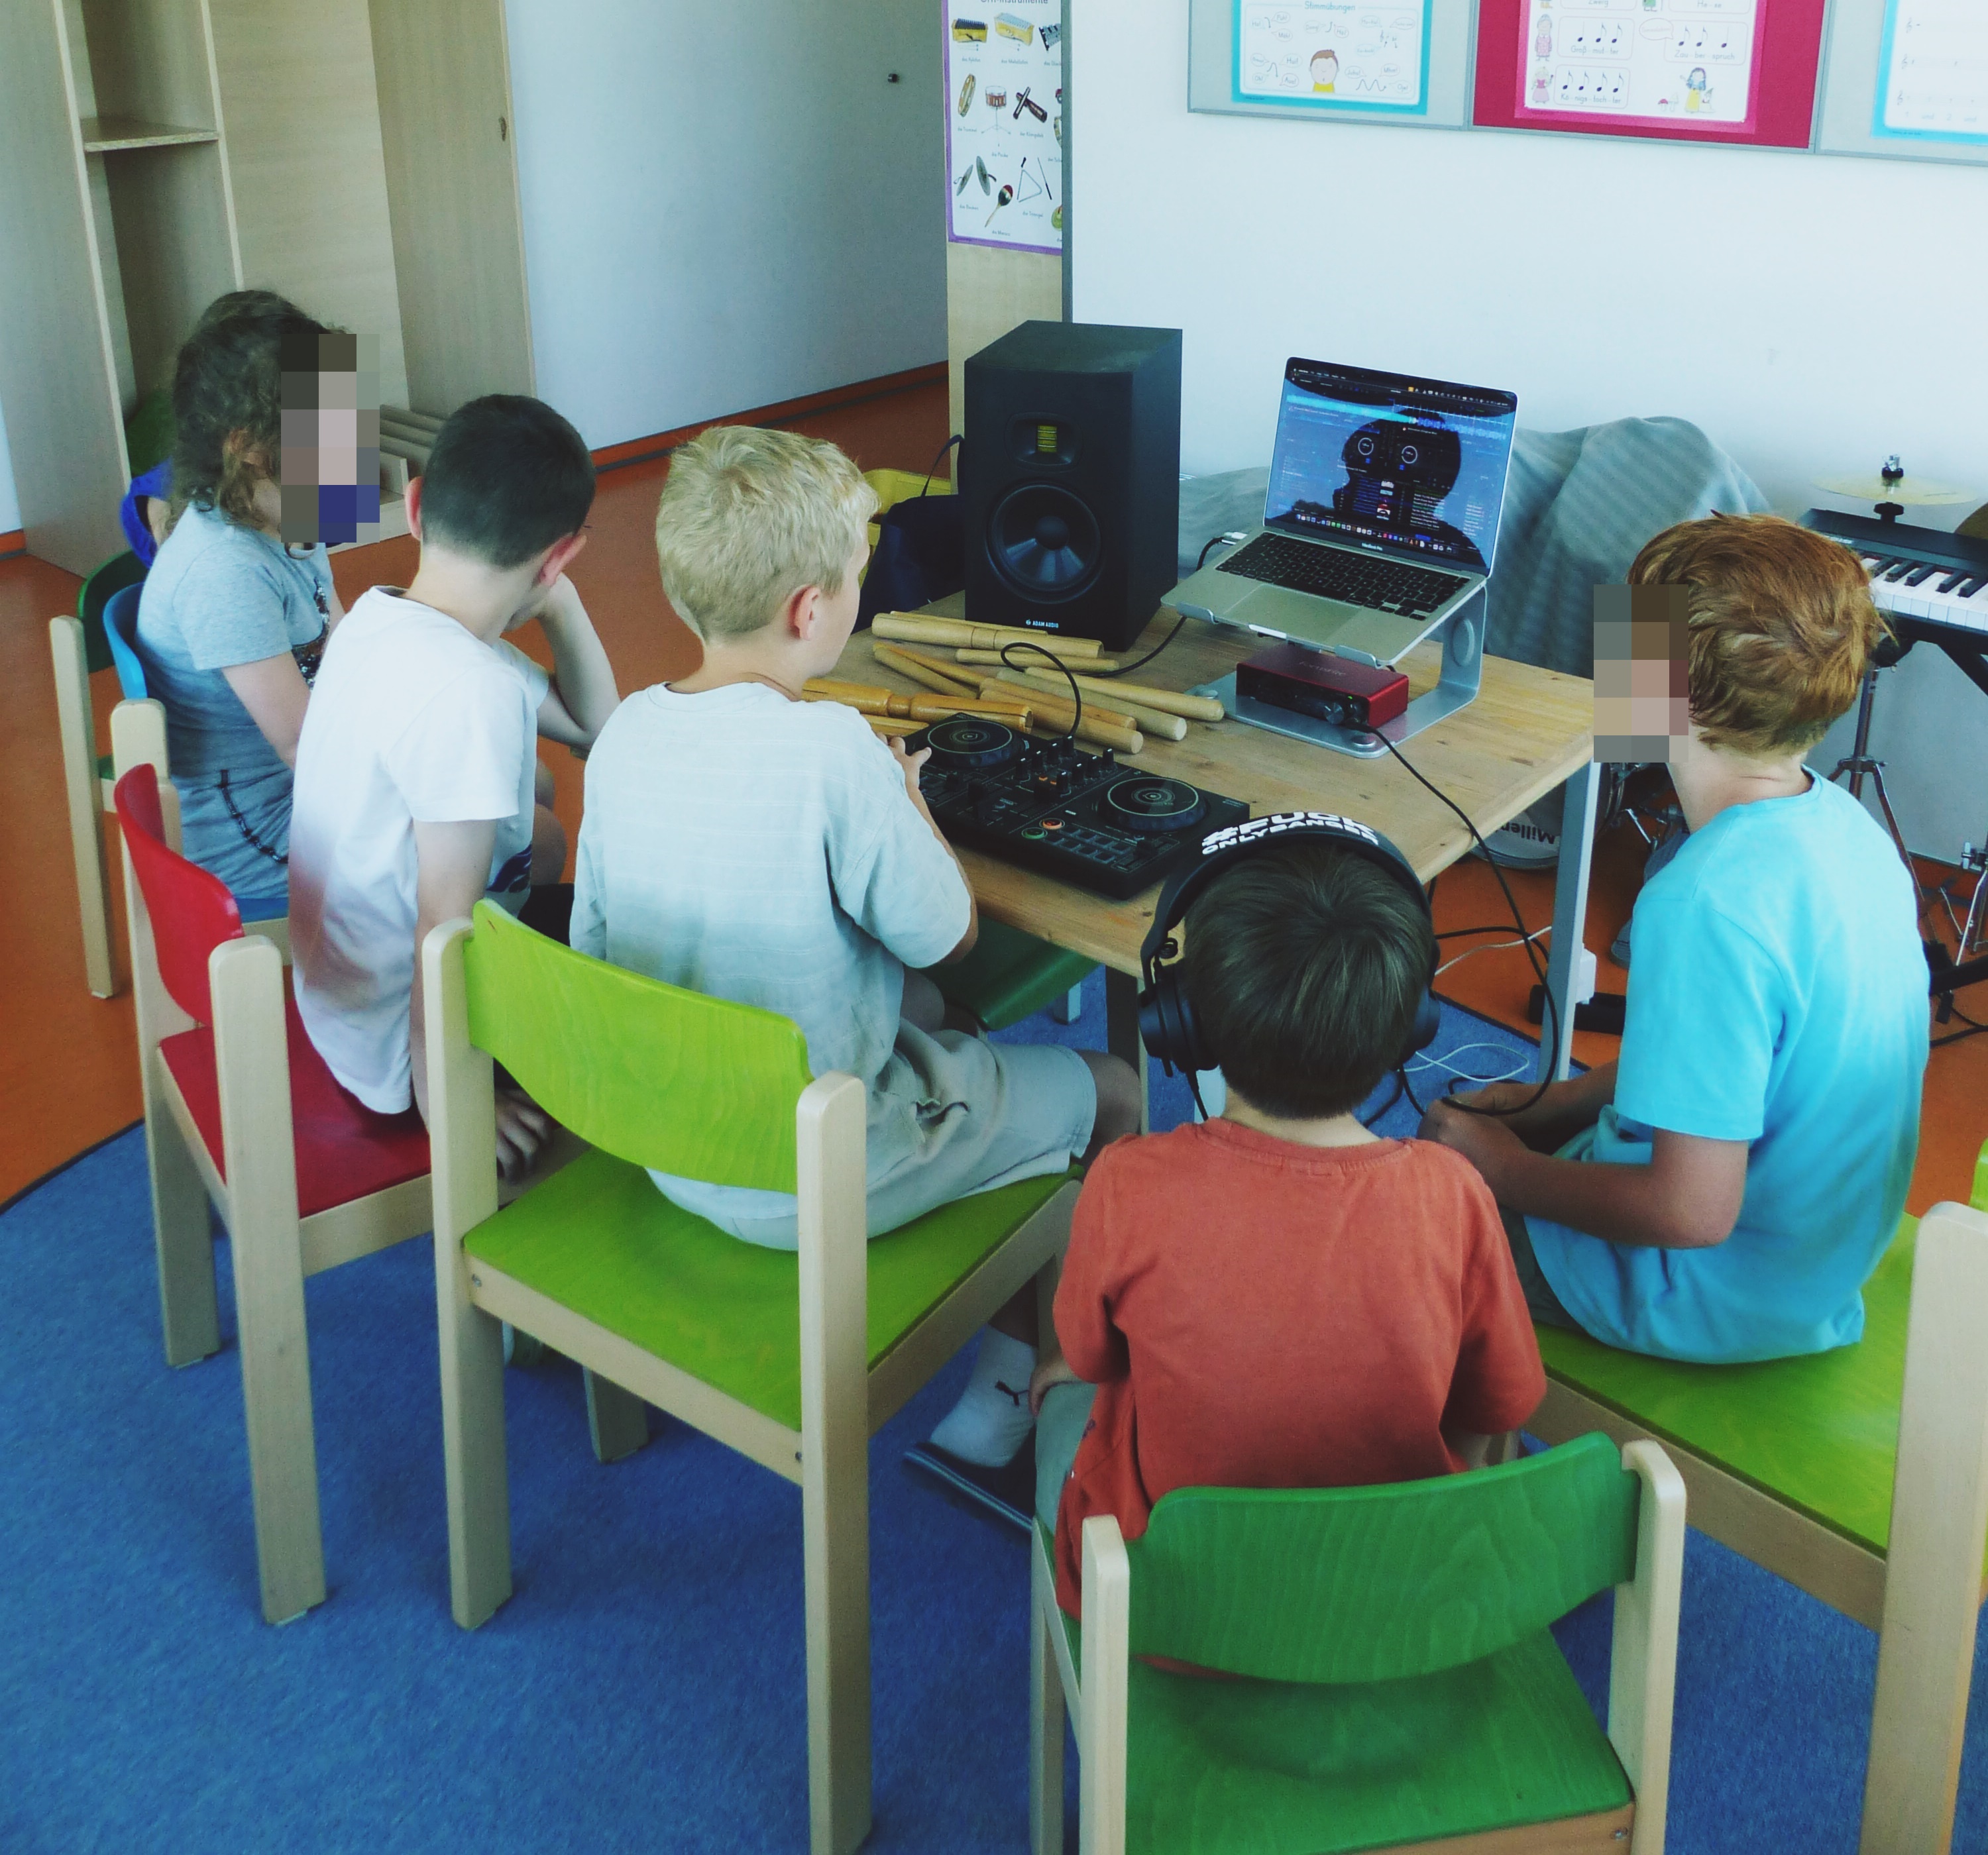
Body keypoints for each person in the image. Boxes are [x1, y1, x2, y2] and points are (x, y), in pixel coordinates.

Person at [571, 423, 1140, 1467]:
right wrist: (906, 797)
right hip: (814, 1168)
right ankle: (1021, 1396)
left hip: (674, 1142)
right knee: (1115, 1093)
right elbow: (952, 935)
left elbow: (601, 952)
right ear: (809, 611)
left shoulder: (624, 737)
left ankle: (1003, 1308)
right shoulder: (834, 751)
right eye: (857, 579)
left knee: (941, 1025)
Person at [1421, 513, 1929, 1363]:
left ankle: (1470, 1437)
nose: (1611, 654)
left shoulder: (1703, 903)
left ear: (1679, 688)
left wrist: (1500, 1165)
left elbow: (1688, 1213)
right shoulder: (1849, 831)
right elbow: (1730, 1071)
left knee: (1412, 1206)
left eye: (1630, 632)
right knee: (1478, 1139)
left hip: (1706, 1292)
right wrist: (1552, 1106)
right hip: (1815, 1267)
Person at [1030, 835, 1545, 1616]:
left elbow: (1092, 1355)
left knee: (1062, 1399)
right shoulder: (1455, 1195)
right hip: (1397, 1611)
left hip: (1175, 1612)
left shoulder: (1126, 1183)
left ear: (1187, 1022)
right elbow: (1496, 1410)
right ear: (1410, 1025)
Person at [288, 396, 619, 1173]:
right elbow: (444, 926)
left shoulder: (383, 616)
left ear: (414, 505)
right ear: (562, 553)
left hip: (339, 1000)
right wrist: (454, 1101)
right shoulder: (469, 691)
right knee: (655, 963)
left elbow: (595, 726)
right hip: (397, 1051)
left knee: (544, 839)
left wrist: (558, 598)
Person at [135, 292, 345, 898]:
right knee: (519, 833)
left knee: (517, 800)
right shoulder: (223, 571)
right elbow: (304, 746)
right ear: (249, 447)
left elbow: (346, 654)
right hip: (253, 836)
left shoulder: (290, 513)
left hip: (299, 789)